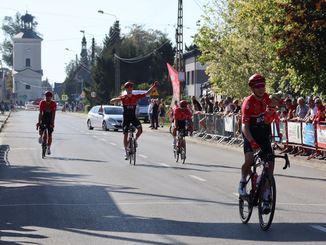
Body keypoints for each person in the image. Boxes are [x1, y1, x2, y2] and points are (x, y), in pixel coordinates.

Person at [238, 73, 273, 214]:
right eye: (257, 86)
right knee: (249, 160)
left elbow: (272, 114)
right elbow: (244, 127)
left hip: (263, 133)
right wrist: (252, 142)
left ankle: (265, 198)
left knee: (269, 166)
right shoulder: (248, 102)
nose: (261, 88)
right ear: (252, 88)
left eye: (262, 85)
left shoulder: (267, 98)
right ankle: (242, 182)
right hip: (250, 133)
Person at [110, 81, 158, 160]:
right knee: (125, 134)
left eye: (131, 87)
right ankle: (126, 151)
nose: (129, 89)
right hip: (126, 118)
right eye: (128, 87)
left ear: (132, 88)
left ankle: (134, 140)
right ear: (126, 89)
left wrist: (153, 87)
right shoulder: (123, 97)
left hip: (133, 117)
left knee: (140, 130)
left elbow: (147, 93)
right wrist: (116, 99)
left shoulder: (135, 97)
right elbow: (111, 101)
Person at [36, 91, 57, 155]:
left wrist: (52, 123)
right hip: (44, 118)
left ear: (51, 98)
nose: (47, 99)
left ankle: (48, 148)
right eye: (46, 97)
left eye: (49, 97)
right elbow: (40, 113)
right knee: (41, 129)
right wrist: (39, 122)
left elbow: (53, 114)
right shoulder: (42, 102)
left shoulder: (53, 103)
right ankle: (40, 135)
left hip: (50, 119)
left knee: (50, 135)